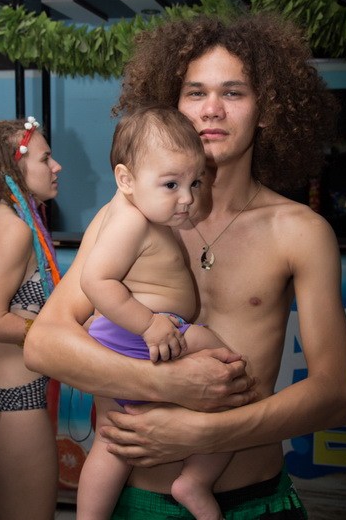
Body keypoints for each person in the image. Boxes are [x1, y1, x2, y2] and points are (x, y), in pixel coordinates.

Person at [25, 12, 346, 520]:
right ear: (173, 105)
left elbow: (335, 394)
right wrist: (166, 384)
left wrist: (206, 431)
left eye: (233, 92)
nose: (211, 109)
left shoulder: (300, 232)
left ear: (268, 109)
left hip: (253, 502)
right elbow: (43, 344)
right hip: (135, 502)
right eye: (195, 92)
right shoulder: (125, 216)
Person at [77, 105, 234, 520]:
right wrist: (149, 324)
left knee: (113, 441)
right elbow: (96, 281)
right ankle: (195, 480)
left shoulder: (143, 216)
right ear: (126, 180)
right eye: (170, 184)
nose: (187, 198)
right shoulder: (130, 222)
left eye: (195, 182)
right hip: (139, 332)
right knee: (232, 378)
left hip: (127, 335)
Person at [0, 117, 62, 520]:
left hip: (14, 400)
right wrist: (53, 334)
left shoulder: (17, 217)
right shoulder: (14, 227)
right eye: (45, 158)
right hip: (14, 403)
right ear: (15, 167)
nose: (56, 166)